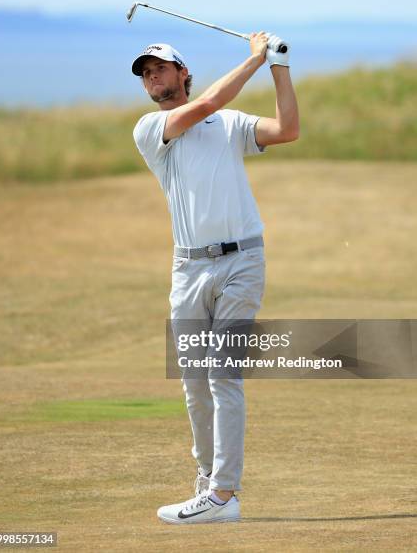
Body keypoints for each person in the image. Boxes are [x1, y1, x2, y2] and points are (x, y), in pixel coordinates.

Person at [132, 32, 299, 524]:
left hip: (242, 261)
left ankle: (224, 494)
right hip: (187, 269)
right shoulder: (152, 128)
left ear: (182, 72)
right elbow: (208, 102)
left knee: (222, 374)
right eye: (145, 73)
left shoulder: (229, 124)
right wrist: (253, 58)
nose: (152, 78)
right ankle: (207, 482)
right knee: (193, 382)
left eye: (159, 68)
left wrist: (278, 67)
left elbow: (287, 129)